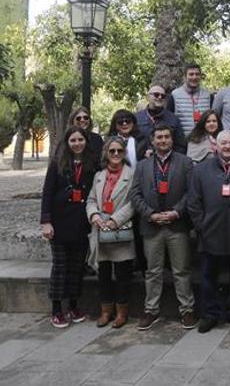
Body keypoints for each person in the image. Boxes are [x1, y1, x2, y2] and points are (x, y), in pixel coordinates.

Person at [130, 123, 197, 331]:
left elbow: (191, 193)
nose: (163, 140)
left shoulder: (185, 162)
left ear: (171, 139)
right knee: (153, 271)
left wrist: (176, 212)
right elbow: (135, 194)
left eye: (166, 137)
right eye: (159, 137)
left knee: (181, 271)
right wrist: (151, 214)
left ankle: (187, 310)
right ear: (152, 140)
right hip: (152, 226)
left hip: (177, 225)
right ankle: (151, 310)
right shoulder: (142, 165)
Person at [187, 130, 230, 333]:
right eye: (223, 143)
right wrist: (202, 226)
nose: (227, 147)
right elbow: (193, 202)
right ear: (215, 145)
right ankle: (210, 315)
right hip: (210, 234)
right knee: (208, 278)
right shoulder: (200, 170)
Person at [40, 127, 97, 328]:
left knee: (76, 267)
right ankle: (56, 309)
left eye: (80, 139)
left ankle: (73, 305)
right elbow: (47, 193)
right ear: (67, 142)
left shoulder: (91, 164)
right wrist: (46, 221)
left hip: (81, 223)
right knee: (60, 267)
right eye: (73, 140)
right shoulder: (58, 163)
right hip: (59, 223)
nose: (77, 143)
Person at [86, 136, 136, 328]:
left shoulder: (131, 175)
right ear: (106, 153)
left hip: (120, 231)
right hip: (100, 230)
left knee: (123, 276)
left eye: (119, 151)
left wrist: (117, 219)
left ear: (124, 154)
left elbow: (134, 201)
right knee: (103, 275)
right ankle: (106, 311)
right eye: (112, 151)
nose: (116, 154)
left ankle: (122, 312)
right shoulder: (99, 175)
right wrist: (94, 215)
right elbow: (91, 199)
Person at [135, 84, 186, 155]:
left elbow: (180, 146)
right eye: (156, 95)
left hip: (168, 163)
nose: (160, 97)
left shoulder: (173, 119)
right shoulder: (136, 118)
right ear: (148, 97)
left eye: (163, 96)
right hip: (142, 162)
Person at [168, 63, 212, 138]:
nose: (194, 77)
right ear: (185, 77)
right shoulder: (175, 95)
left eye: (197, 74)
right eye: (191, 74)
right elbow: (168, 120)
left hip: (204, 141)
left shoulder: (208, 95)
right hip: (182, 142)